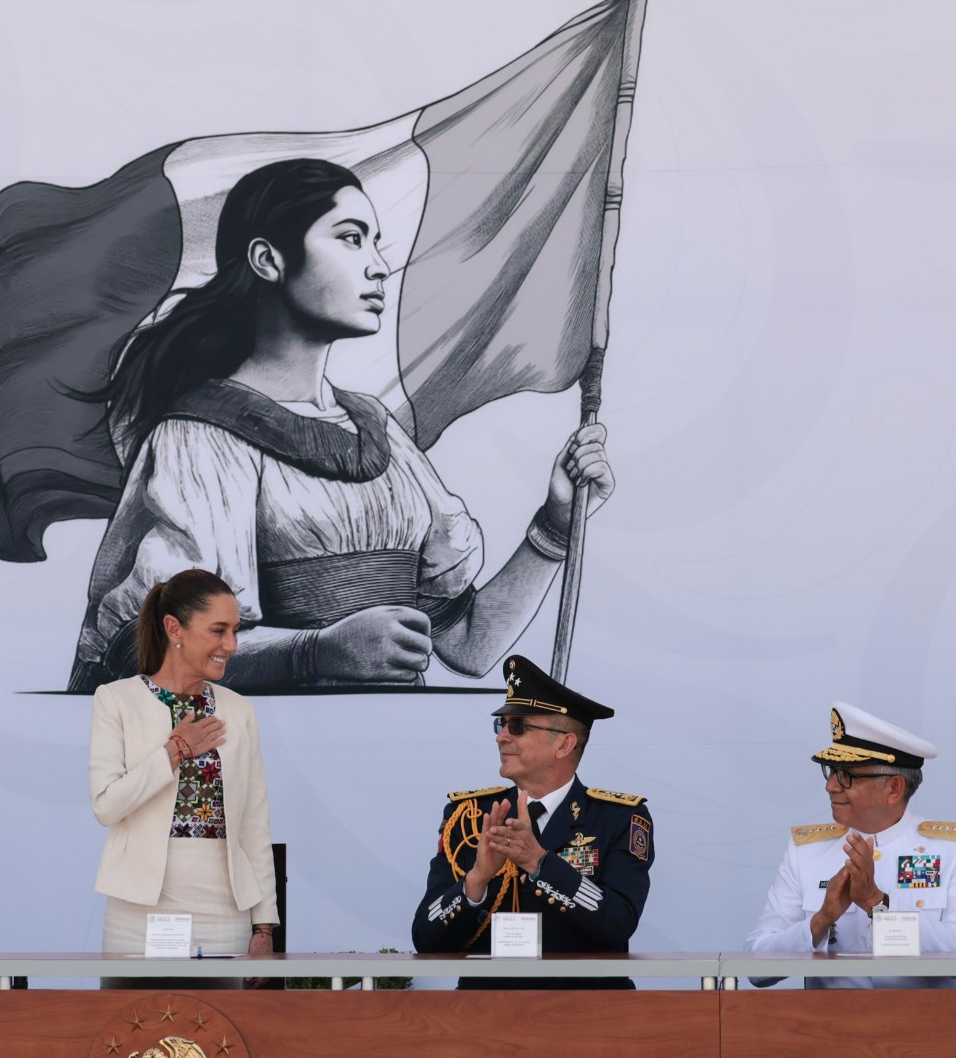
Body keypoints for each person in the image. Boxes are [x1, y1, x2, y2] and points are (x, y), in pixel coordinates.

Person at [68, 157, 614, 691]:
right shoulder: (200, 438)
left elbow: (468, 646)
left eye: (376, 243)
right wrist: (315, 652)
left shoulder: (380, 433)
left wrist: (557, 525)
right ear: (267, 259)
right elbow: (152, 655)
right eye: (351, 238)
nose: (378, 265)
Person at [409, 655, 652, 989]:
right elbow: (426, 938)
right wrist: (477, 881)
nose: (502, 737)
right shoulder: (470, 817)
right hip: (484, 1015)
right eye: (501, 725)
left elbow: (617, 924)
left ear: (564, 744)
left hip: (587, 1017)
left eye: (518, 726)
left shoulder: (617, 818)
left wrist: (538, 862)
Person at [89, 568, 276, 986]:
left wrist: (263, 928)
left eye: (235, 631)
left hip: (224, 913)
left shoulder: (239, 710)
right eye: (218, 630)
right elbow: (107, 805)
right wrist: (175, 750)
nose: (230, 645)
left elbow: (253, 825)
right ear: (174, 628)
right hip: (137, 914)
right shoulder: (116, 700)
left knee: (222, 1044)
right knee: (129, 1041)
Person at [744, 704, 956, 988]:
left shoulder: (955, 849)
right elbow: (756, 967)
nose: (831, 786)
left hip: (926, 1026)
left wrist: (877, 904)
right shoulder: (806, 851)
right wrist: (821, 920)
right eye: (831, 771)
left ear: (894, 789)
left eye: (847, 775)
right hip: (830, 1028)